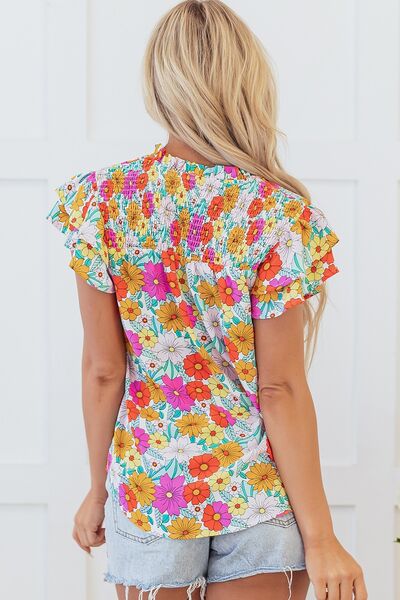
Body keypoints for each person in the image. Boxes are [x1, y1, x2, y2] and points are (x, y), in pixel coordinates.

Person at [45, 1, 368, 599]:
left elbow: (103, 370)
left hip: (151, 491)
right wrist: (322, 540)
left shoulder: (101, 202)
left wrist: (97, 488)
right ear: (246, 81)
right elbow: (279, 388)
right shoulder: (274, 213)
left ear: (158, 85)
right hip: (257, 490)